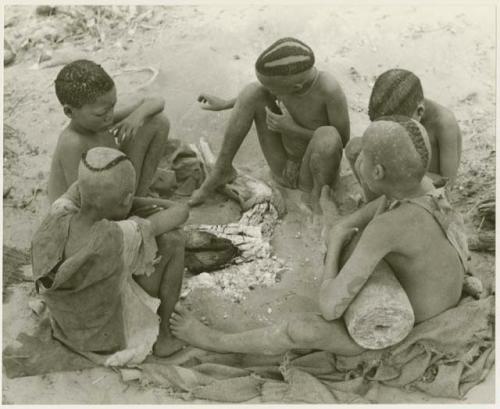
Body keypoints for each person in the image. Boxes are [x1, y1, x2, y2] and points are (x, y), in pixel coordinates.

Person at [169, 116, 468, 356]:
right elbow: (370, 211)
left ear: (377, 172)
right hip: (438, 295)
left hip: (400, 325)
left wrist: (335, 245)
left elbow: (329, 307)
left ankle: (212, 340)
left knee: (301, 330)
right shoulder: (423, 186)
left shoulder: (388, 227)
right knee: (355, 237)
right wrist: (339, 223)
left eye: (363, 156)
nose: (357, 157)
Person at [32, 147, 189, 362]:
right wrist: (138, 200)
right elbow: (181, 212)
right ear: (127, 199)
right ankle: (165, 339)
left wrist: (123, 198)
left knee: (117, 261)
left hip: (68, 326)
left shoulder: (60, 210)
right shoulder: (119, 235)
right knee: (174, 240)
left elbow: (79, 188)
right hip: (106, 338)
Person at [190, 37, 350, 214]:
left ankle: (318, 200)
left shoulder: (329, 90)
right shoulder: (286, 82)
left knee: (327, 135)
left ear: (296, 86)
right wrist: (226, 103)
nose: (269, 91)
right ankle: (222, 169)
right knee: (252, 91)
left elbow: (340, 140)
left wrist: (291, 129)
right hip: (282, 165)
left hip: (313, 175)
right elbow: (262, 90)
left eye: (272, 88)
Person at [47, 59, 170, 203]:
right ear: (69, 111)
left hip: (114, 191)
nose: (110, 116)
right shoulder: (73, 142)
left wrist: (136, 117)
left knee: (158, 121)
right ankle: (133, 205)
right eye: (101, 113)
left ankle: (139, 197)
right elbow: (81, 200)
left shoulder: (98, 122)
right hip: (91, 207)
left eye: (112, 106)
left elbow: (156, 101)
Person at [346, 68, 462, 201]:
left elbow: (447, 185)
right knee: (355, 151)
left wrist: (397, 174)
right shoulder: (396, 108)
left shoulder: (444, 124)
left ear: (419, 112)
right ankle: (377, 207)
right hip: (397, 172)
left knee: (368, 167)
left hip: (421, 186)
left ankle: (384, 211)